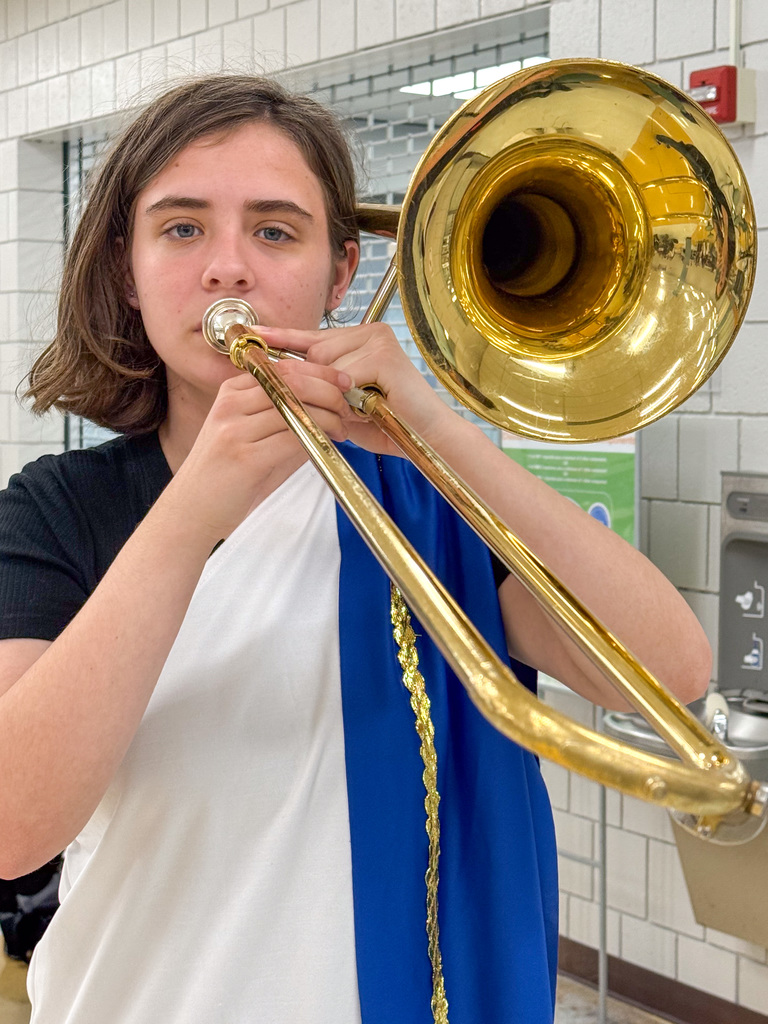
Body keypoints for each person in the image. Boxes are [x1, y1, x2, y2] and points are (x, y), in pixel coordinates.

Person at [0, 74, 711, 1024]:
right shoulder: (55, 509)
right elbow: (14, 825)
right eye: (180, 229)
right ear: (126, 273)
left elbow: (669, 673)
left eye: (275, 230)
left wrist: (438, 435)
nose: (228, 268)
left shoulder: (426, 497)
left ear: (340, 275)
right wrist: (194, 511)